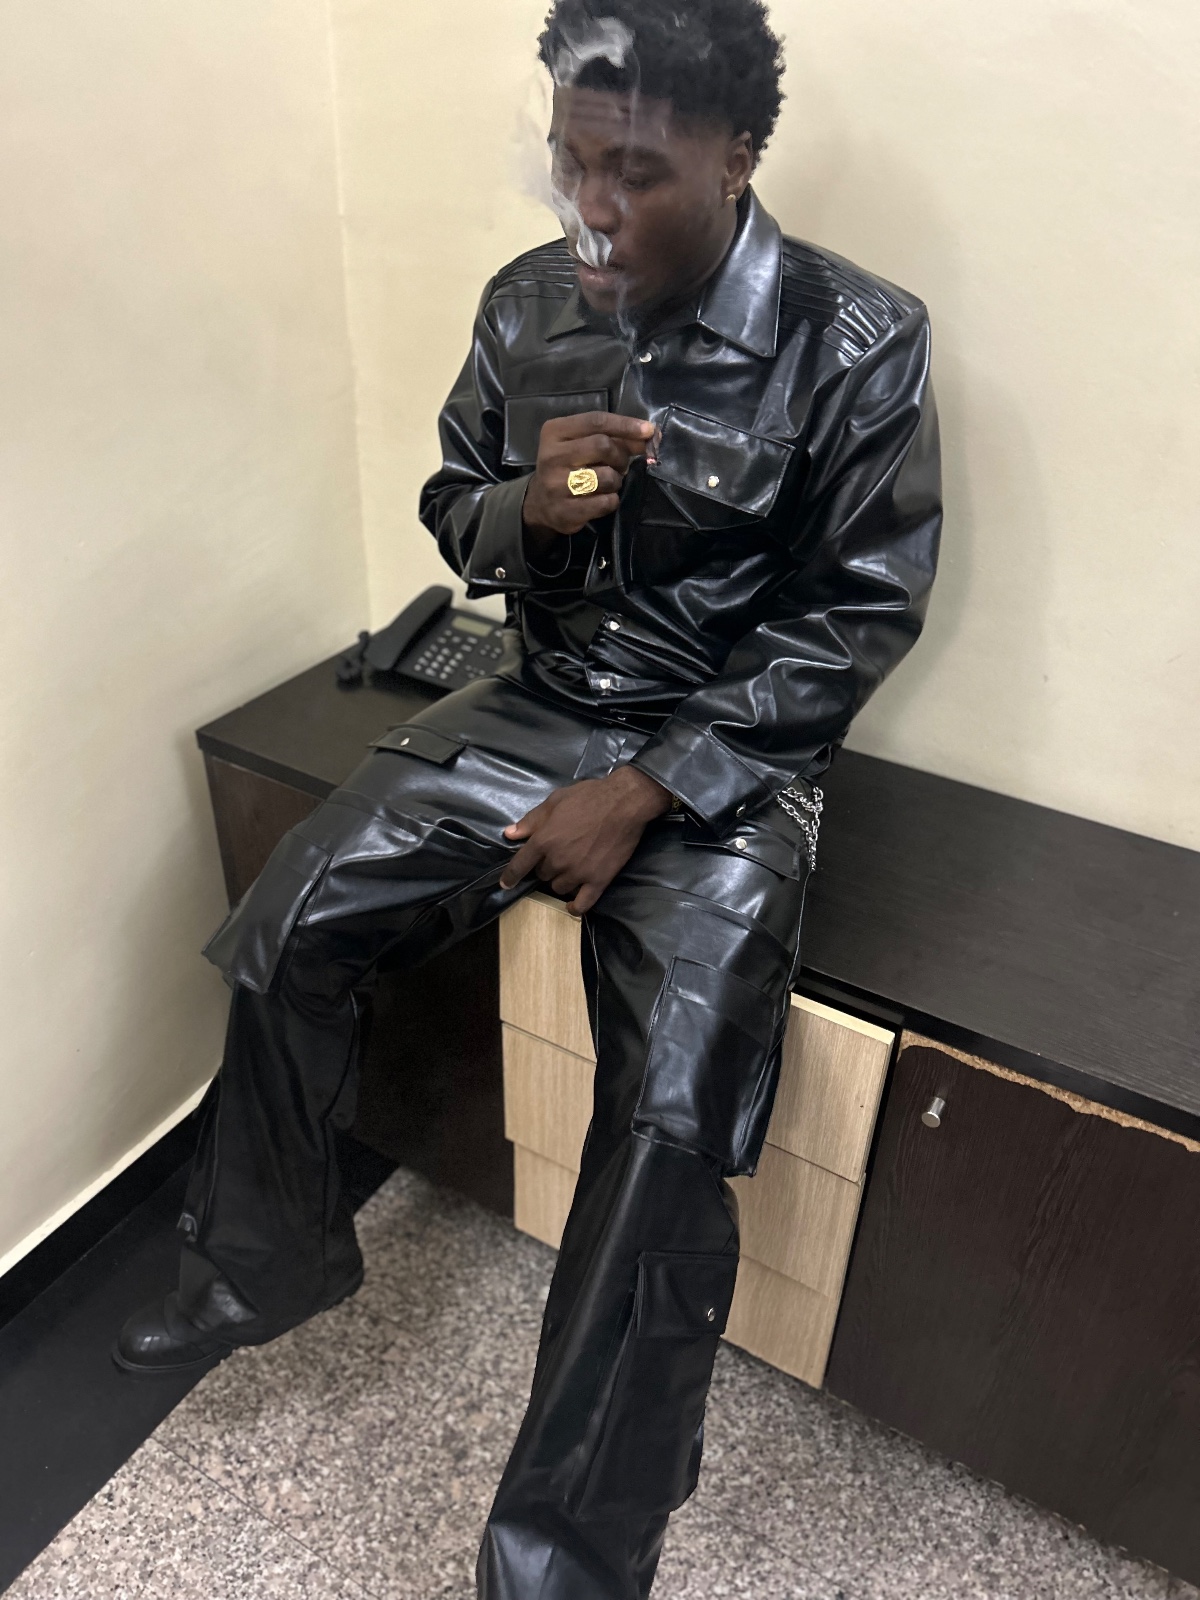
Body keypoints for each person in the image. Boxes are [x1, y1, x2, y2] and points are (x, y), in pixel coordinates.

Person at [116, 0, 941, 1594]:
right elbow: (451, 500)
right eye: (573, 162)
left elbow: (857, 615)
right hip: (535, 700)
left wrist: (650, 788)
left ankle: (563, 1560)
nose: (595, 208)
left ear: (737, 154)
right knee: (288, 917)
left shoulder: (857, 338)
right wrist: (524, 514)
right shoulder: (526, 298)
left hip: (724, 753)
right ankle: (265, 1264)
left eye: (636, 171)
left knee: (669, 1116)